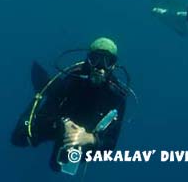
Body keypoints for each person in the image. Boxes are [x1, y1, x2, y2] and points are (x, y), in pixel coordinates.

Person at [11, 37, 129, 173]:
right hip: (60, 125)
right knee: (19, 138)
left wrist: (90, 139)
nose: (100, 67)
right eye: (95, 59)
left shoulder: (116, 96)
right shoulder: (73, 79)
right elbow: (47, 113)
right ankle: (44, 88)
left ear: (113, 65)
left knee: (58, 166)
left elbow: (111, 143)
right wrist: (64, 124)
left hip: (86, 136)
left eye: (108, 61)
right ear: (88, 60)